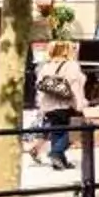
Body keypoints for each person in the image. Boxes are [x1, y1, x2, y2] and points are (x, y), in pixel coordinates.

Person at [32, 39, 89, 170]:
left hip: (49, 105)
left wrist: (41, 106)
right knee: (73, 132)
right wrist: (80, 102)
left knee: (57, 132)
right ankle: (56, 153)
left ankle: (60, 161)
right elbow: (75, 86)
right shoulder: (71, 65)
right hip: (66, 104)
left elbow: (40, 86)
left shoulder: (46, 66)